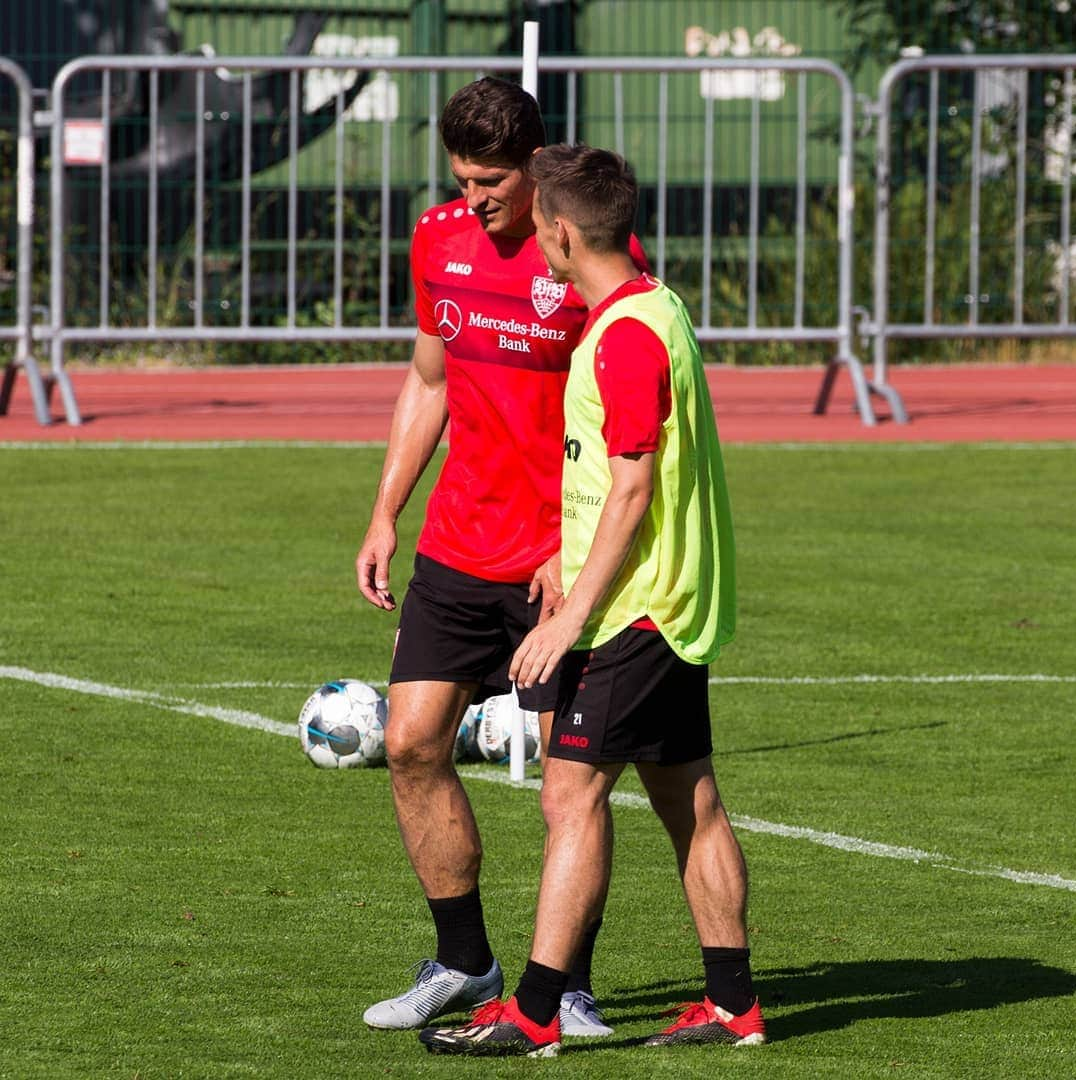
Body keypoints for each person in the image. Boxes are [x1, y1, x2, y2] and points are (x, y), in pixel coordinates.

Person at [419, 144, 766, 1057]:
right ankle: (734, 1004)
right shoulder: (653, 306)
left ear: (563, 232)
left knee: (569, 795)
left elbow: (634, 486)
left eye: (540, 232)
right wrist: (564, 565)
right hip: (666, 601)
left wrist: (572, 613)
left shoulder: (622, 336)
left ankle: (534, 1010)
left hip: (637, 615)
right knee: (689, 797)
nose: (535, 246)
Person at [355, 78, 646, 1038]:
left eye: (493, 181)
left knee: (573, 788)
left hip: (555, 566)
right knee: (411, 744)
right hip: (456, 548)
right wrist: (385, 513)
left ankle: (565, 987)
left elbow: (627, 418)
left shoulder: (590, 254)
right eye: (464, 179)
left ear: (536, 166)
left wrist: (577, 554)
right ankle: (464, 960)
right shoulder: (437, 238)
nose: (476, 198)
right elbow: (427, 378)